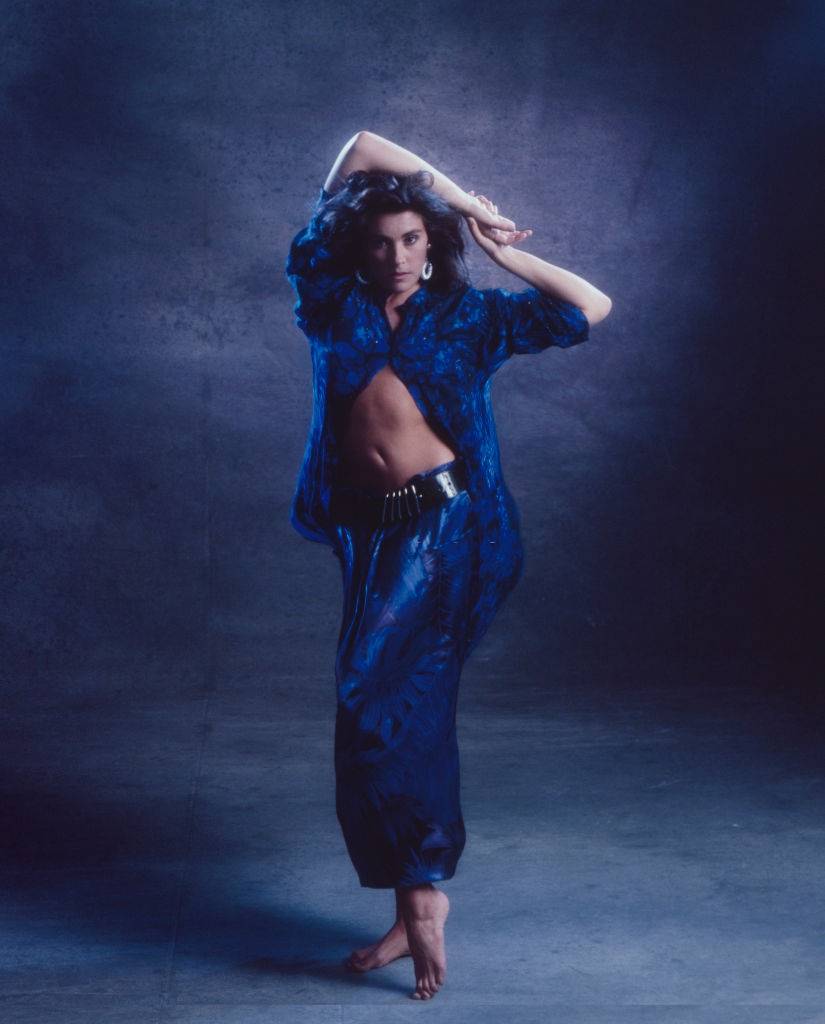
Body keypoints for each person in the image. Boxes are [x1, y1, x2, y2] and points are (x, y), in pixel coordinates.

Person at [284, 130, 612, 1000]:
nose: (395, 256)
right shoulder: (330, 300)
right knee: (401, 706)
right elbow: (357, 148)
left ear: (434, 250)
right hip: (369, 531)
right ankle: (408, 902)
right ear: (359, 246)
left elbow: (590, 306)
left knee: (373, 698)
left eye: (414, 239)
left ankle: (424, 898)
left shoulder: (471, 317)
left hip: (449, 532)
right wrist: (456, 193)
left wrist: (491, 237)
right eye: (382, 240)